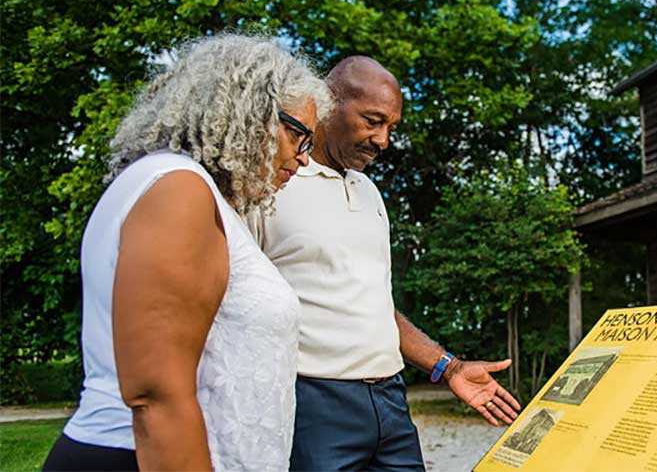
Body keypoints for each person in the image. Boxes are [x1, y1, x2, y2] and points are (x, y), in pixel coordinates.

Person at [43, 34, 333, 471]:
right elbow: (156, 395)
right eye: (299, 135)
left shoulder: (195, 194)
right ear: (248, 111)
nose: (304, 158)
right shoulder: (178, 189)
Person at [246, 56, 521, 471]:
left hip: (390, 404)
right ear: (327, 103)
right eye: (372, 120)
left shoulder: (370, 192)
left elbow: (377, 308)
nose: (383, 140)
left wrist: (449, 367)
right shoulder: (271, 184)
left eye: (391, 127)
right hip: (314, 406)